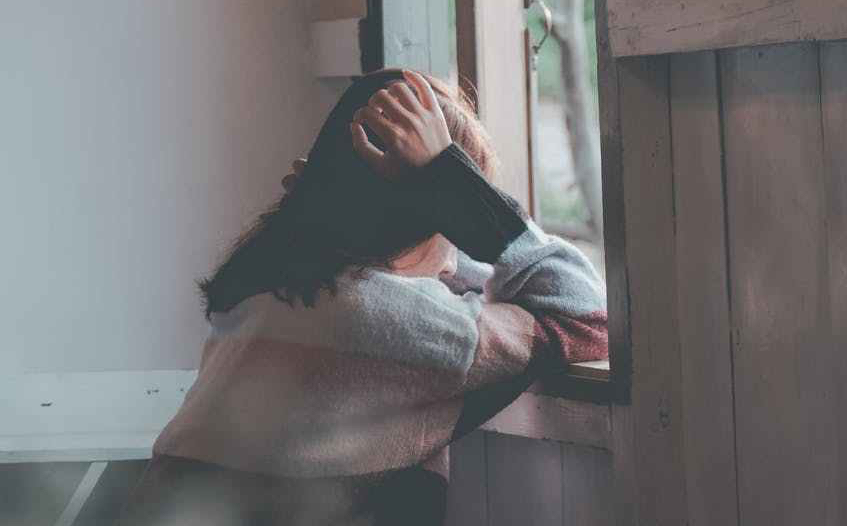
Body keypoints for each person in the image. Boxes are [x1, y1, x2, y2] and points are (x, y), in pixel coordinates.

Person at [115, 67, 608, 526]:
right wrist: (455, 185)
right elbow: (584, 314)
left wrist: (323, 198)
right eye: (452, 225)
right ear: (436, 217)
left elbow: (447, 273)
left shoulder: (266, 290)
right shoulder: (394, 323)